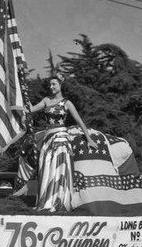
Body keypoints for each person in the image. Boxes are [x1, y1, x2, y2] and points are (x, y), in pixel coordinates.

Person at [29, 75, 98, 211]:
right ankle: (46, 201)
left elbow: (80, 121)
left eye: (54, 84)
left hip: (61, 138)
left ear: (60, 85)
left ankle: (60, 201)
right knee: (47, 168)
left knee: (59, 169)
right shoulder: (46, 101)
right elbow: (30, 110)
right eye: (50, 85)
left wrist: (89, 139)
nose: (51, 87)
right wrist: (22, 95)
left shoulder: (67, 103)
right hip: (47, 139)